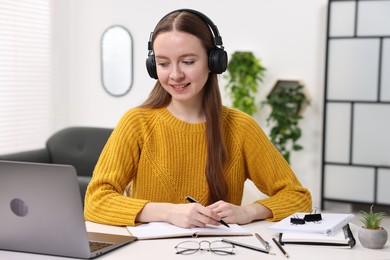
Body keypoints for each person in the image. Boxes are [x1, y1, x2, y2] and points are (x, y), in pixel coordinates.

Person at [84, 9, 312, 228]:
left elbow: (298, 197)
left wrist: (248, 211)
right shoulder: (136, 123)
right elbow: (96, 201)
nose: (175, 75)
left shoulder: (241, 128)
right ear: (153, 67)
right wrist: (168, 212)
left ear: (213, 62)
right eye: (163, 63)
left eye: (188, 61)